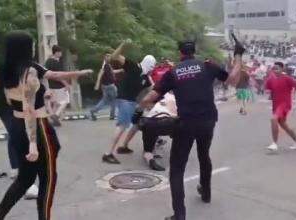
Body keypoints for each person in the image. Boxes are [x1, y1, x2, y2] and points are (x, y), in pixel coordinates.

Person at [131, 39, 244, 220]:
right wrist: (238, 56)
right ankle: (206, 192)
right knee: (204, 155)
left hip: (186, 123)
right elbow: (233, 80)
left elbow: (151, 96)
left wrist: (138, 111)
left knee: (177, 169)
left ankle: (179, 215)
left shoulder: (173, 72)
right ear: (195, 51)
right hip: (208, 121)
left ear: (180, 53)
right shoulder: (207, 66)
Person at [0, 31, 92, 220]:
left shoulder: (3, 70)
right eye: (31, 45)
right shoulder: (30, 71)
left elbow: (8, 103)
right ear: (25, 48)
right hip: (37, 127)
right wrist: (79, 73)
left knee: (25, 179)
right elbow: (30, 109)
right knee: (48, 178)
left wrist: (44, 94)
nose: (33, 48)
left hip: (17, 127)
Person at [101, 40, 153, 164]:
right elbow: (114, 56)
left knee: (136, 123)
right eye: (151, 66)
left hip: (131, 102)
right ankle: (108, 153)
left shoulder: (146, 78)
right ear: (147, 63)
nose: (152, 69)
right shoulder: (133, 66)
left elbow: (154, 90)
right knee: (122, 126)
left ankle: (123, 146)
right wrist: (123, 44)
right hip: (125, 100)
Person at [265, 62, 296, 152]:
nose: (275, 70)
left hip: (284, 104)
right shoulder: (270, 79)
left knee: (273, 119)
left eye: (277, 68)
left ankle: (274, 144)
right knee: (283, 125)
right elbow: (269, 90)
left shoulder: (287, 79)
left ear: (282, 69)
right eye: (274, 69)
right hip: (276, 105)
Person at [140, 92, 177, 171]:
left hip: (147, 122)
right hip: (165, 122)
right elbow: (175, 114)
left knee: (148, 149)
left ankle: (150, 157)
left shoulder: (163, 97)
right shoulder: (175, 98)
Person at [89, 54, 123, 120]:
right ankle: (113, 115)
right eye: (108, 57)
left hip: (105, 86)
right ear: (106, 58)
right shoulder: (105, 66)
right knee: (115, 100)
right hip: (110, 86)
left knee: (104, 101)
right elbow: (100, 74)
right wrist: (97, 84)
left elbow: (112, 72)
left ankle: (93, 110)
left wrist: (121, 70)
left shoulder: (108, 65)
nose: (110, 58)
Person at [45, 45, 70, 127]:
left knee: (55, 103)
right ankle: (56, 115)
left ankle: (55, 121)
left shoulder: (48, 61)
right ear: (56, 52)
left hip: (51, 86)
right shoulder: (56, 63)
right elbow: (59, 76)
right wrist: (66, 84)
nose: (61, 54)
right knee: (65, 101)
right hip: (59, 86)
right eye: (60, 52)